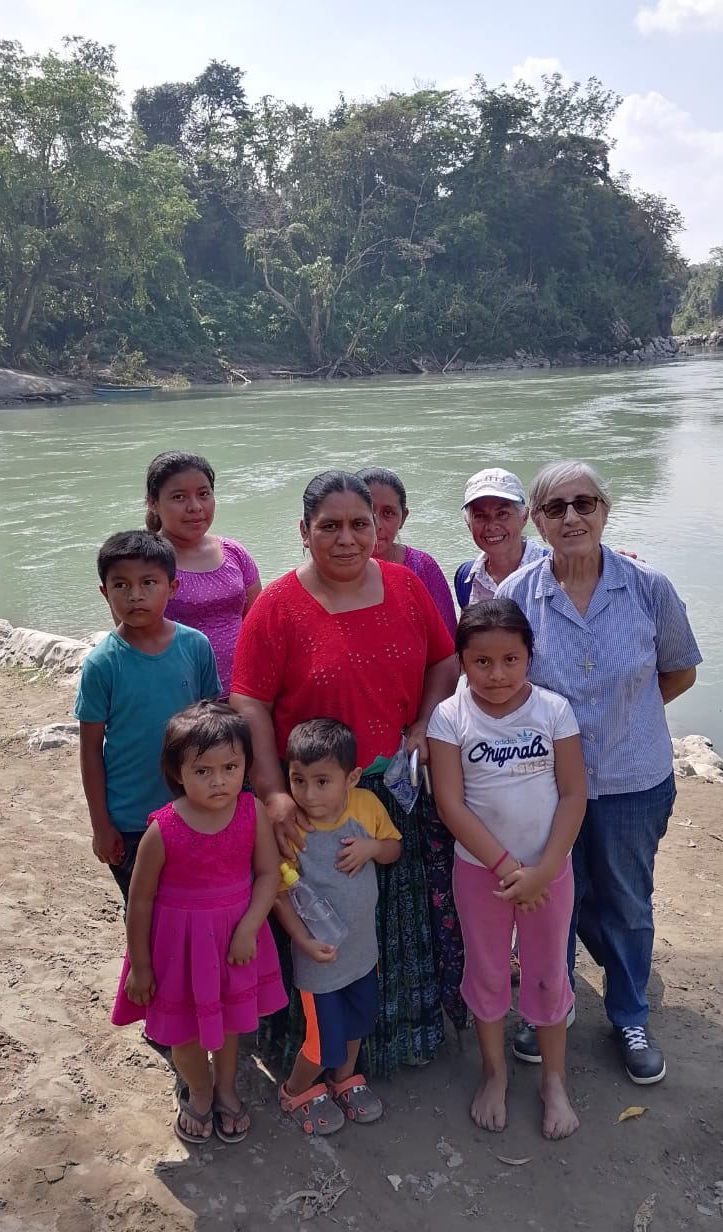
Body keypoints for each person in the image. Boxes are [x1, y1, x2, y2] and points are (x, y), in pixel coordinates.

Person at [230, 470, 463, 1077]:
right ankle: (313, 1054)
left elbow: (444, 659)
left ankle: (397, 1041)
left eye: (360, 524)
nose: (347, 538)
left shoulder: (408, 587)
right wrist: (274, 793)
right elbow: (249, 701)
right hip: (312, 801)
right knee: (319, 918)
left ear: (380, 527)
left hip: (392, 790)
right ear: (304, 532)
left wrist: (422, 724)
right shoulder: (277, 607)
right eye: (329, 526)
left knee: (394, 913)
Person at [498, 460, 702, 1084]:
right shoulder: (517, 596)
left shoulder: (648, 587)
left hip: (630, 783)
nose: (572, 517)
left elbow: (679, 669)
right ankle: (544, 1007)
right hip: (544, 787)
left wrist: (628, 716)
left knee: (627, 902)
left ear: (605, 511)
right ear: (536, 520)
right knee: (551, 899)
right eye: (556, 508)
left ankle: (629, 1015)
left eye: (585, 503)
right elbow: (502, 686)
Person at [428, 599, 586, 1141]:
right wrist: (505, 868)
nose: (497, 675)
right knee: (490, 972)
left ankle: (554, 1082)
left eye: (511, 660)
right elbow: (451, 804)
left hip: (549, 874)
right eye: (482, 662)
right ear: (462, 661)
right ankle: (494, 1074)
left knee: (547, 972)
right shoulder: (449, 717)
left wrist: (543, 870)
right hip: (480, 875)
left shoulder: (553, 710)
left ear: (529, 657)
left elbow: (573, 794)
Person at [111, 701, 285, 1144]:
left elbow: (268, 874)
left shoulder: (252, 813)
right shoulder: (163, 828)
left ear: (246, 764)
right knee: (185, 1031)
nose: (219, 780)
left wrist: (249, 927)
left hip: (234, 941)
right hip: (179, 949)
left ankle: (226, 1087)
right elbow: (141, 899)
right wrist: (142, 967)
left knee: (228, 1025)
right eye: (203, 770)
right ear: (177, 772)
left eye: (230, 766)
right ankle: (200, 1088)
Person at [74, 531, 221, 902]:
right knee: (144, 910)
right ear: (105, 592)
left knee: (193, 902)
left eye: (148, 583)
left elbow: (212, 727)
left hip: (193, 807)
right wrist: (101, 825)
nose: (135, 595)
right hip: (131, 820)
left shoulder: (196, 646)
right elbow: (90, 750)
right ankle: (140, 963)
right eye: (121, 584)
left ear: (172, 587)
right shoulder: (102, 664)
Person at [275, 718, 402, 1134]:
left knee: (359, 1022)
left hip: (364, 951)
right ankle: (295, 1090)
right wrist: (302, 942)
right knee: (320, 1038)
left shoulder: (366, 806)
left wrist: (372, 848)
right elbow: (279, 892)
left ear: (352, 777)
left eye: (322, 782)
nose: (309, 794)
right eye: (298, 780)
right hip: (320, 959)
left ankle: (343, 1080)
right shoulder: (291, 829)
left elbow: (394, 849)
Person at [144, 450, 262, 696]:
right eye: (179, 497)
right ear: (153, 503)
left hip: (243, 691)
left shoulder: (234, 552)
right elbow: (135, 639)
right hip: (179, 699)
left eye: (204, 494)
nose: (195, 507)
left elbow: (258, 624)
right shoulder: (142, 563)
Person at [356, 466, 457, 632]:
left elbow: (449, 640)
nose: (377, 525)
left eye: (388, 513)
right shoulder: (336, 570)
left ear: (403, 518)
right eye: (367, 511)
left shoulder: (422, 567)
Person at [454, 468, 548, 609]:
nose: (491, 526)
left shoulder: (555, 571)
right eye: (480, 516)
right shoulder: (466, 577)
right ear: (468, 523)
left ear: (524, 516)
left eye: (502, 513)